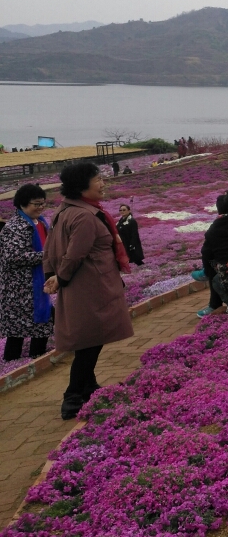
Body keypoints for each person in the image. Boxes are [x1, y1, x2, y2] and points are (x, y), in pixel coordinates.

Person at [43, 162, 134, 420]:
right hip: (92, 287)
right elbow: (74, 255)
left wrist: (52, 275)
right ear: (82, 185)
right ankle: (72, 397)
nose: (103, 183)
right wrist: (59, 277)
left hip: (83, 286)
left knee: (89, 338)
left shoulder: (64, 210)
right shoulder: (84, 216)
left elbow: (49, 249)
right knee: (89, 343)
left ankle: (89, 388)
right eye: (98, 179)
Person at [0, 184, 53, 362]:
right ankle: (13, 363)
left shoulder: (41, 222)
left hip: (37, 283)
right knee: (18, 331)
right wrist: (47, 255)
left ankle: (37, 359)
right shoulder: (14, 227)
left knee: (42, 323)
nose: (40, 207)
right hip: (19, 288)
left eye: (42, 203)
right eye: (36, 204)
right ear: (22, 204)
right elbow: (13, 257)